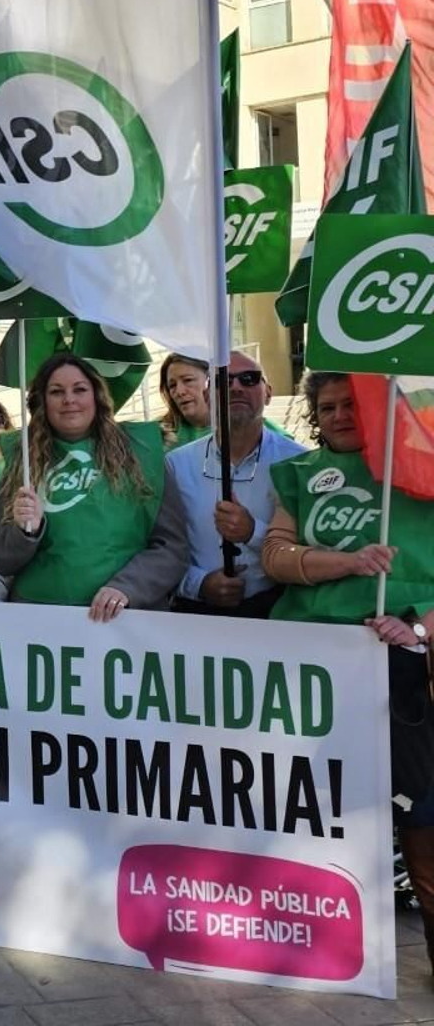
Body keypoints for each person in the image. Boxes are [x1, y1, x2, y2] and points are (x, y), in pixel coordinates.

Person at [260, 372, 434, 972]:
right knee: (317, 803)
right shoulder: (300, 475)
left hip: (405, 664)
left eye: (350, 404)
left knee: (420, 807)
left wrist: (418, 629)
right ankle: (315, 942)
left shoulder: (421, 468)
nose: (338, 415)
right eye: (328, 406)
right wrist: (348, 562)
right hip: (316, 666)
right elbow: (276, 557)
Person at [0, 353, 188, 620]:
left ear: (97, 396)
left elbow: (172, 547)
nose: (69, 399)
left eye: (79, 389)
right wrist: (24, 533)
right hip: (40, 619)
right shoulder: (21, 462)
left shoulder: (143, 451)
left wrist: (127, 588)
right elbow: (0, 560)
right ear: (42, 402)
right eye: (56, 392)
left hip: (125, 620)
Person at [164, 352, 306, 618]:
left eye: (249, 379)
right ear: (207, 396)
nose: (236, 387)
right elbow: (163, 545)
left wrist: (253, 532)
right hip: (195, 614)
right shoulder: (176, 464)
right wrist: (199, 584)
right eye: (223, 381)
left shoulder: (300, 462)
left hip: (277, 610)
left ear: (268, 393)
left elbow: (310, 547)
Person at [158, 354, 212, 448]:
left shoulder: (234, 429)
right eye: (172, 385)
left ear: (210, 381)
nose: (179, 392)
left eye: (188, 380)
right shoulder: (160, 432)